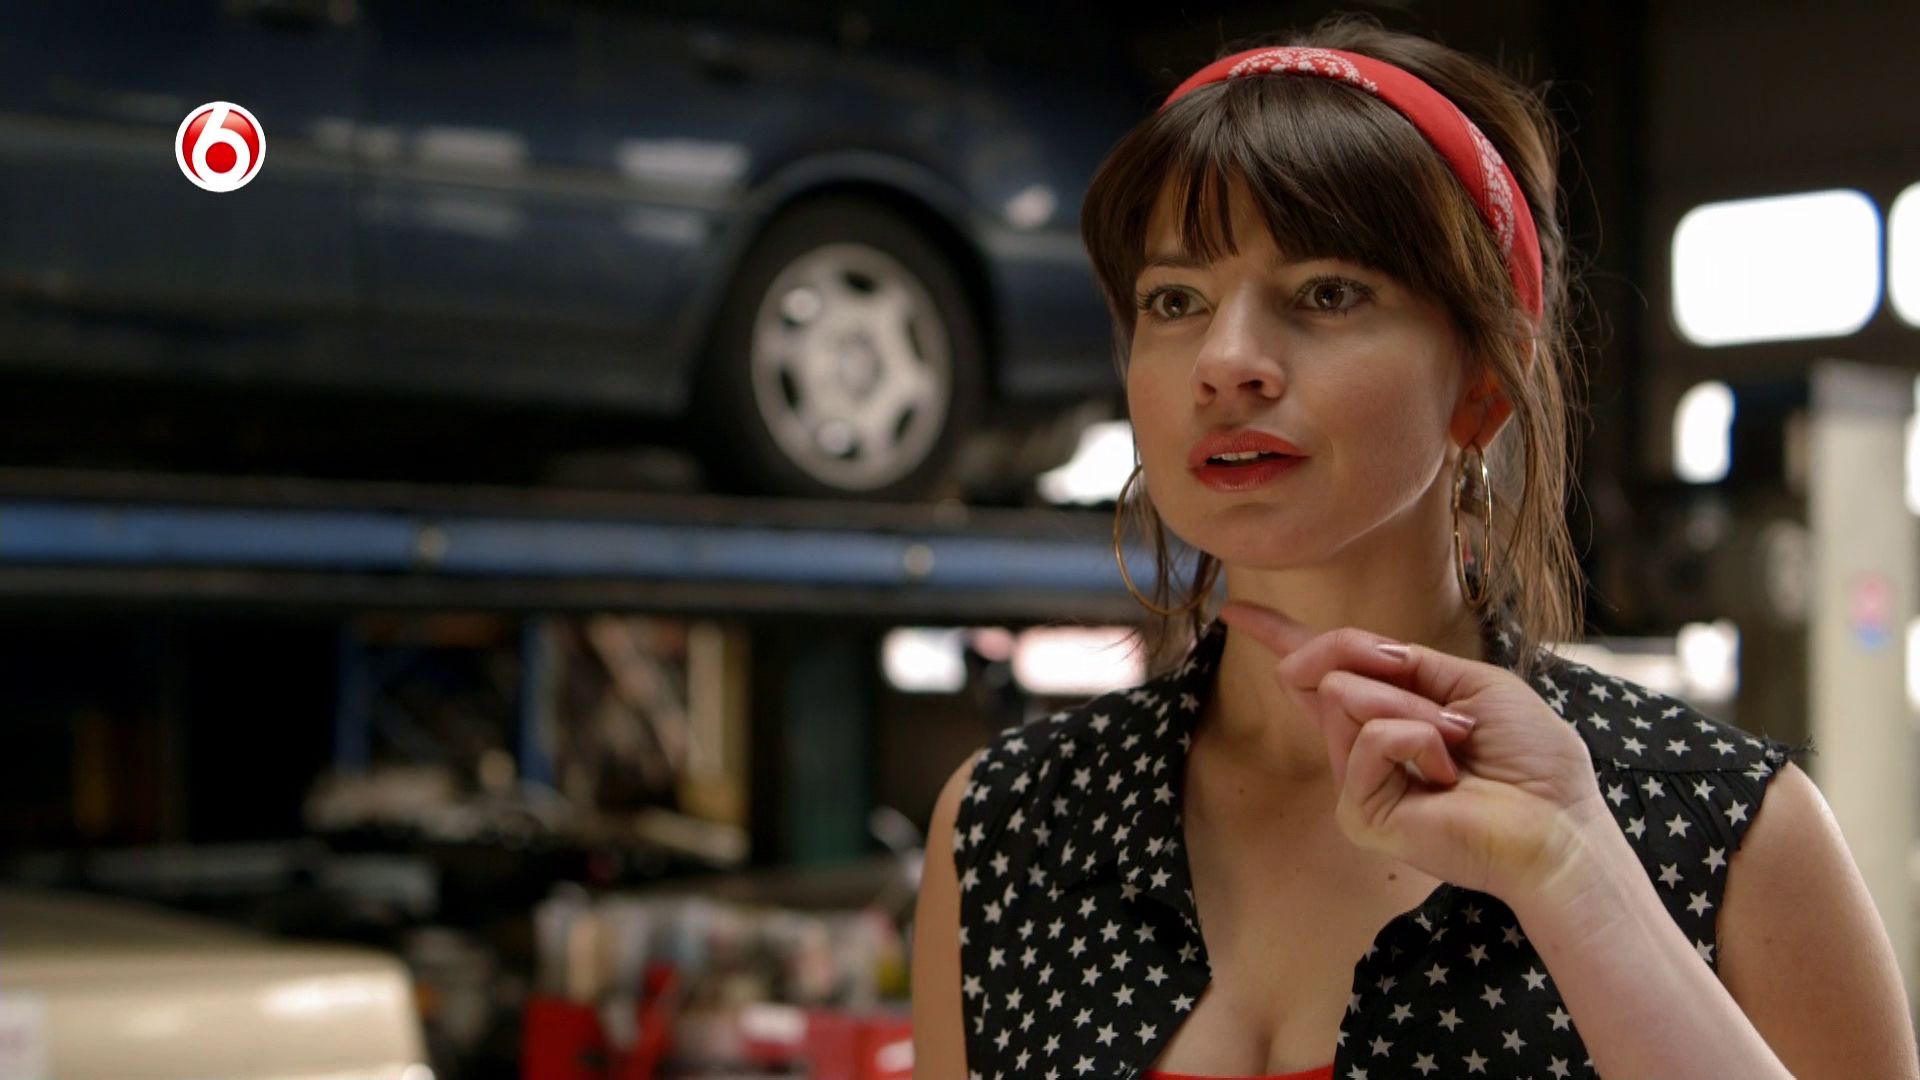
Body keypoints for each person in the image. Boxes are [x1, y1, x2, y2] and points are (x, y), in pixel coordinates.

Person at [910, 14, 1920, 1080]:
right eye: (1175, 301)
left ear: (1483, 382)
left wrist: (1577, 878)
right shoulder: (1009, 826)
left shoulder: (1718, 826)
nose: (1226, 359)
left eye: (1327, 293)